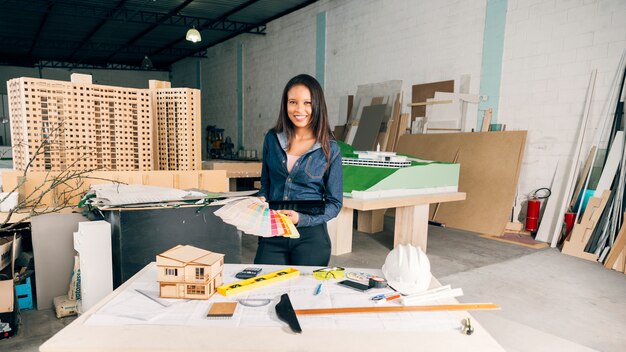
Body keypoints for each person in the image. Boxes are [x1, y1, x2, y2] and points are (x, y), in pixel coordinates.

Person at [255, 74, 343, 266]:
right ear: (285, 104)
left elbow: (335, 203)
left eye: (307, 103)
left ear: (317, 105)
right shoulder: (272, 138)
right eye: (293, 102)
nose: (299, 109)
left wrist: (302, 219)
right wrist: (261, 198)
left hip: (310, 237)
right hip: (273, 231)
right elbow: (266, 184)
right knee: (265, 290)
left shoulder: (330, 148)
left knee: (304, 295)